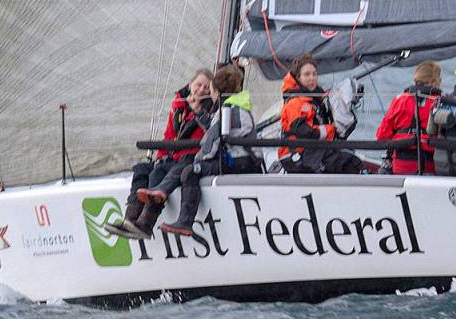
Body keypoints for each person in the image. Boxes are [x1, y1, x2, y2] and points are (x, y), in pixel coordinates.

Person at [104, 69, 215, 238]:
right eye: (198, 85)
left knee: (158, 172)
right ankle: (130, 219)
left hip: (190, 156)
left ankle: (146, 223)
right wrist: (161, 157)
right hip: (173, 156)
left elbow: (209, 133)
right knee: (142, 169)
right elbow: (169, 135)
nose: (201, 90)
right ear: (190, 84)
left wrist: (197, 109)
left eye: (207, 87)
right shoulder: (179, 104)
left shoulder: (211, 108)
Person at [159, 65, 262, 236]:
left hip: (238, 162)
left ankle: (185, 221)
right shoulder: (237, 105)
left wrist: (197, 161)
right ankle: (184, 220)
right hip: (246, 160)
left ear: (215, 90)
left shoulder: (227, 110)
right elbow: (215, 128)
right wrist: (199, 112)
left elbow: (211, 143)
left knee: (190, 172)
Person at [279, 54, 363, 174]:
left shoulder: (315, 99)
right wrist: (331, 129)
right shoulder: (295, 102)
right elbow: (302, 131)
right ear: (298, 77)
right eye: (307, 74)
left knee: (348, 153)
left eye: (314, 74)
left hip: (312, 150)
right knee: (349, 163)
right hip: (297, 154)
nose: (312, 78)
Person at [376, 61, 442, 175]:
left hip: (401, 165)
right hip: (430, 164)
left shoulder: (400, 100)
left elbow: (382, 136)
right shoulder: (440, 102)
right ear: (435, 81)